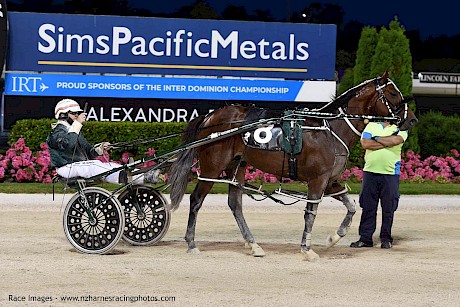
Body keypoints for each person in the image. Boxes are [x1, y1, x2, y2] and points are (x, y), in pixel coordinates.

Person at [46, 98, 159, 184]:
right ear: (63, 115)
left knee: (110, 165)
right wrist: (78, 123)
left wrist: (100, 148)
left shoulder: (74, 131)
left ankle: (141, 176)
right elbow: (68, 144)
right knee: (95, 165)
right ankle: (140, 178)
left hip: (77, 165)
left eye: (77, 113)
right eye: (73, 113)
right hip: (65, 168)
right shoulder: (57, 132)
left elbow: (89, 151)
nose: (77, 116)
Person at [350, 120, 408, 249]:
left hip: (390, 174)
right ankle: (365, 238)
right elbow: (365, 143)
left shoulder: (401, 128)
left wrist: (375, 138)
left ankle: (386, 239)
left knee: (389, 207)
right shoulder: (371, 125)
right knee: (368, 206)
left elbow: (395, 141)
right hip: (370, 172)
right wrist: (386, 142)